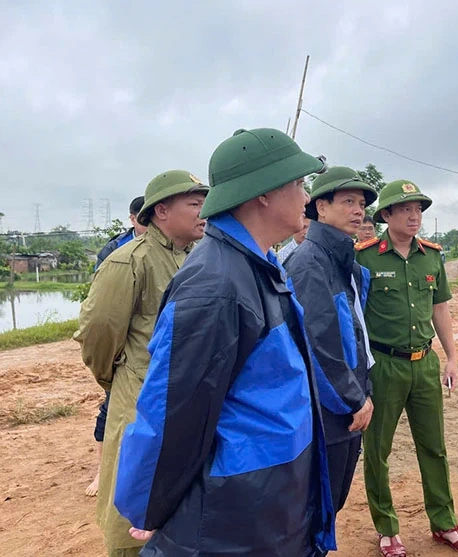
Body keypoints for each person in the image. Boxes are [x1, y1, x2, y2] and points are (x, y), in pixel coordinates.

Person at [113, 128, 336, 556]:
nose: (306, 196)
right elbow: (173, 408)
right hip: (234, 509)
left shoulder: (261, 265)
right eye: (298, 183)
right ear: (263, 194)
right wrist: (146, 503)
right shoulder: (215, 283)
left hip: (271, 494)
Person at [73, 170, 209, 556]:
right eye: (194, 204)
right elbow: (99, 333)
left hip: (186, 396)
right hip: (139, 397)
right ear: (161, 211)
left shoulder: (197, 258)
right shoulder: (129, 262)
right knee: (132, 492)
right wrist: (116, 380)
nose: (203, 212)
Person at [356, 180, 458, 557]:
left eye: (418, 210)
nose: (414, 216)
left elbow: (440, 308)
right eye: (405, 209)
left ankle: (445, 523)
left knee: (434, 447)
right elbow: (353, 315)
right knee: (377, 450)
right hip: (383, 366)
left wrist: (452, 357)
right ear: (386, 215)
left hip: (424, 364)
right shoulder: (365, 258)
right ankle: (387, 529)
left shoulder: (432, 256)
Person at [285, 165, 378, 517]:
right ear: (321, 208)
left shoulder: (344, 261)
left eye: (362, 204)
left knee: (333, 501)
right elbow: (317, 344)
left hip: (347, 402)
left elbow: (354, 336)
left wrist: (363, 390)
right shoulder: (309, 263)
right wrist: (354, 399)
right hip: (329, 409)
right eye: (348, 202)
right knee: (316, 507)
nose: (358, 211)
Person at [85, 195, 149, 498]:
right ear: (133, 219)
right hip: (123, 345)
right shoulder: (116, 251)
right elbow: (103, 312)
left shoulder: (173, 249)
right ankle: (103, 471)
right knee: (110, 407)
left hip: (149, 349)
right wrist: (108, 366)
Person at [94, 196, 148, 271]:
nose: (152, 225)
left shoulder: (163, 243)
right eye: (146, 220)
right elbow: (99, 274)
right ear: (133, 219)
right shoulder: (114, 247)